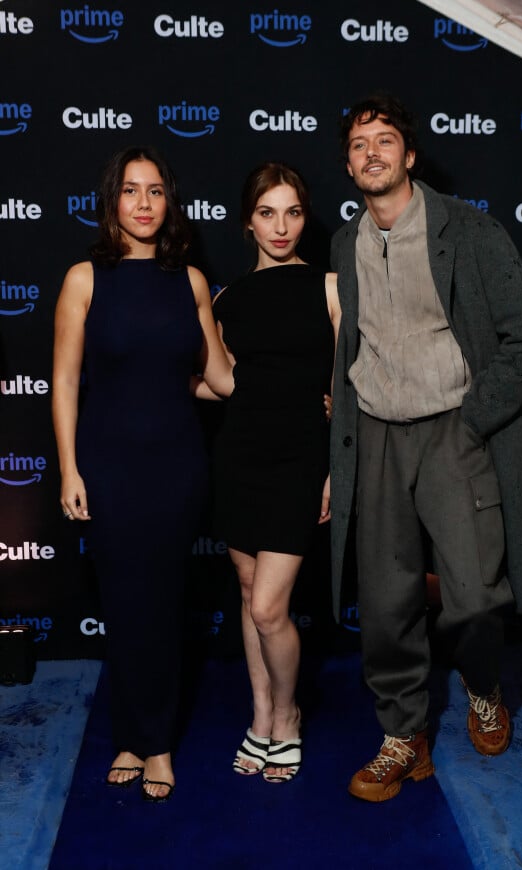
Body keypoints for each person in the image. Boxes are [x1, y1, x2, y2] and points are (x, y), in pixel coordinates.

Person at [329, 94, 522, 802]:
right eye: (360, 143)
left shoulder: (471, 231)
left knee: (476, 599)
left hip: (455, 430)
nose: (372, 152)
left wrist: (473, 420)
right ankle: (403, 734)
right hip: (377, 437)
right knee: (388, 604)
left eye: (385, 139)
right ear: (348, 163)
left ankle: (483, 687)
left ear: (410, 155)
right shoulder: (346, 242)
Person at [52, 145, 233, 802]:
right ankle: (129, 734)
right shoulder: (83, 279)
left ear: (169, 202)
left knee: (161, 605)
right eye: (132, 191)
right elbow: (67, 379)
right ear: (113, 202)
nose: (144, 203)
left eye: (156, 191)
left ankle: (155, 743)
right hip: (107, 465)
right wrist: (70, 467)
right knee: (125, 607)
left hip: (177, 466)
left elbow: (217, 380)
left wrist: (291, 380)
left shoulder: (187, 281)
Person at [210, 162, 341, 782]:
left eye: (292, 212)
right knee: (244, 590)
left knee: (268, 607)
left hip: (300, 461)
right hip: (240, 455)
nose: (281, 226)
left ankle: (287, 716)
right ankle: (259, 714)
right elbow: (224, 382)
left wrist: (336, 468)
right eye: (267, 212)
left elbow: (354, 387)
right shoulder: (226, 299)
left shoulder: (331, 288)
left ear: (304, 217)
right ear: (248, 221)